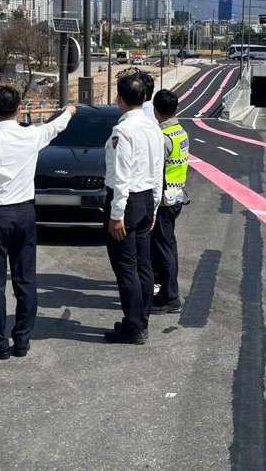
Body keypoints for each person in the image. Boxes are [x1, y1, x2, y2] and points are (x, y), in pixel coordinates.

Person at [0, 86, 76, 359]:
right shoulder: (31, 136)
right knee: (25, 279)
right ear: (19, 109)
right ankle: (23, 340)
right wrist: (70, 111)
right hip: (25, 214)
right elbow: (56, 127)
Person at [103, 72, 164, 344]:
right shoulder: (153, 127)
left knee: (126, 267)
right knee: (143, 265)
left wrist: (116, 215)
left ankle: (133, 326)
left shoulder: (123, 131)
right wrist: (154, 206)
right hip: (146, 201)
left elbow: (121, 177)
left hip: (126, 203)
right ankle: (142, 318)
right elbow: (157, 171)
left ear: (120, 99)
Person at [149, 89, 188, 315]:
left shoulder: (162, 137)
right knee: (169, 247)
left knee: (162, 250)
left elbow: (155, 170)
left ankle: (169, 297)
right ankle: (169, 293)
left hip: (163, 200)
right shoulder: (179, 132)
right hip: (176, 196)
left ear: (155, 111)